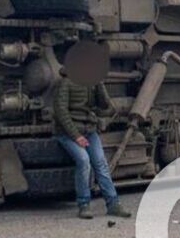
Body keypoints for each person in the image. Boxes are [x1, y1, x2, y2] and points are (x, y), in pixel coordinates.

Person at [49, 41, 129, 219]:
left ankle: (113, 204)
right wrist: (76, 136)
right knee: (84, 161)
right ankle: (84, 204)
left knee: (100, 163)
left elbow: (106, 106)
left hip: (89, 130)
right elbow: (61, 112)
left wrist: (99, 85)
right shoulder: (65, 83)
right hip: (68, 133)